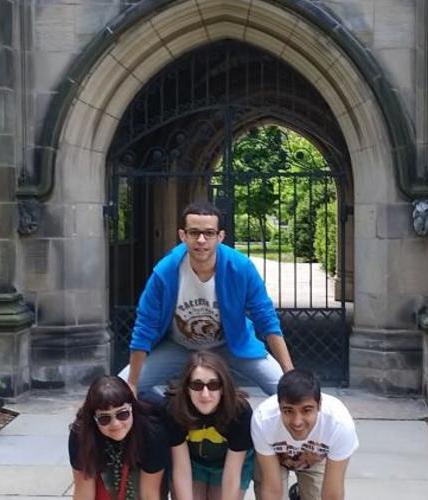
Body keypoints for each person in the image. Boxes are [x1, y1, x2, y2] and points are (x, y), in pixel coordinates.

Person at [119, 200, 294, 403]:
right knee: (119, 390)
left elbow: (266, 319)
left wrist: (289, 372)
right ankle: (168, 409)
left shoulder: (240, 267)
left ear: (220, 237)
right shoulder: (165, 272)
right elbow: (145, 326)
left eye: (209, 233)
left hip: (231, 344)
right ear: (182, 235)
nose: (201, 240)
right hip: (179, 346)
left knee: (289, 390)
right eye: (194, 233)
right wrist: (132, 384)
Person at [251, 369, 359, 500]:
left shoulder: (339, 423)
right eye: (288, 411)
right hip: (274, 458)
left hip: (315, 458)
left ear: (319, 405)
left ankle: (300, 492)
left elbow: (332, 495)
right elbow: (272, 490)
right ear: (279, 406)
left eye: (306, 410)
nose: (297, 422)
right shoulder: (263, 420)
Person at [165, 351, 254, 500]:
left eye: (213, 385)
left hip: (228, 465)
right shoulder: (174, 409)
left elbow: (232, 473)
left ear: (223, 387)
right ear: (187, 388)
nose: (205, 394)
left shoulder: (239, 411)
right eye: (196, 385)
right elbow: (181, 468)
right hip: (193, 464)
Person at [68, 376, 168, 500]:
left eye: (122, 414)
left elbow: (149, 495)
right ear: (94, 419)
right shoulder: (81, 435)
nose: (115, 424)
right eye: (104, 418)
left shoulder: (152, 433)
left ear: (132, 409)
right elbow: (84, 494)